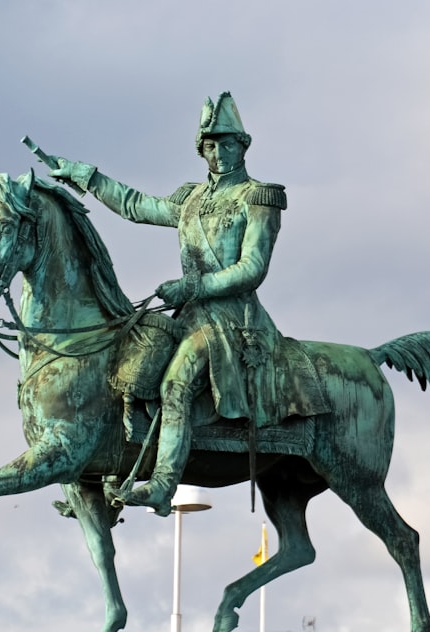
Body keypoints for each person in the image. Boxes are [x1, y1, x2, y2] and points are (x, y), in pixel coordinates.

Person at [49, 92, 327, 515]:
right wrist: (85, 176)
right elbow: (135, 205)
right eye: (209, 145)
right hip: (193, 316)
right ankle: (110, 480)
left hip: (236, 321)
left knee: (174, 384)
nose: (217, 152)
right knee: (128, 372)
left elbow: (252, 268)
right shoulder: (191, 200)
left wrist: (192, 286)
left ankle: (162, 486)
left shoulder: (259, 198)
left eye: (226, 142)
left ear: (244, 144)